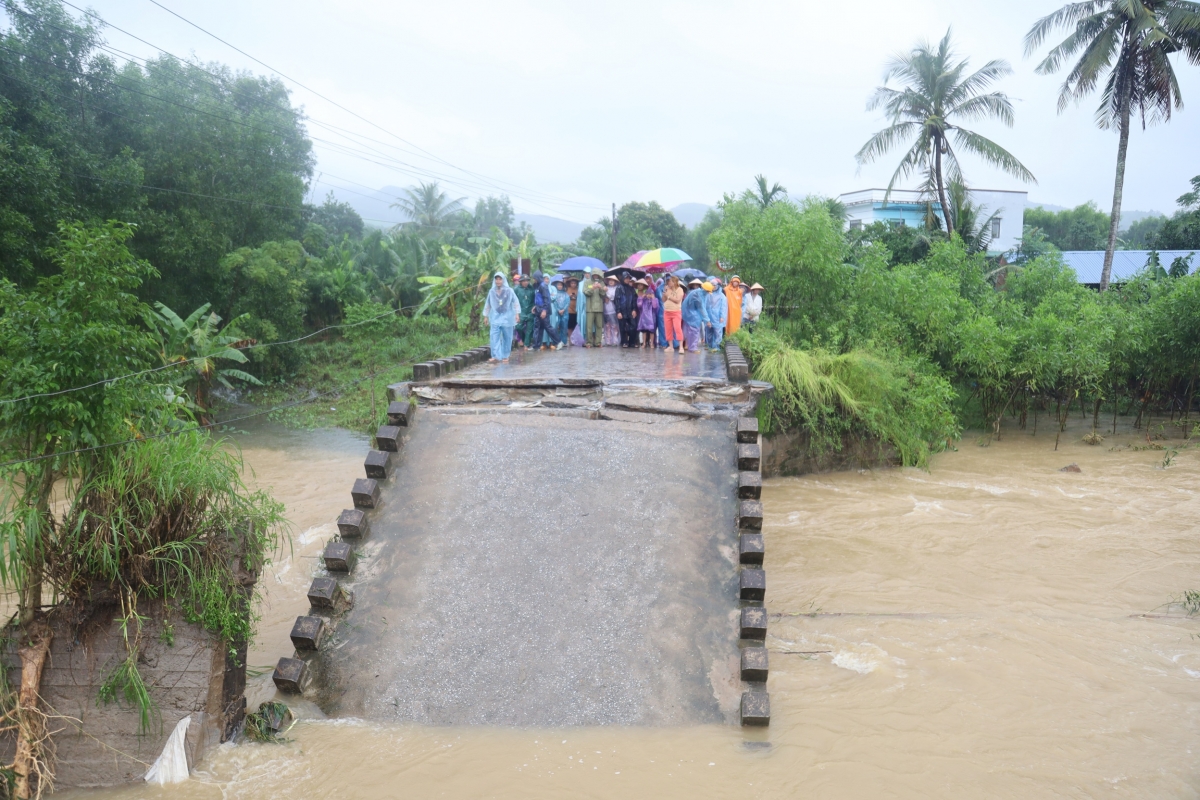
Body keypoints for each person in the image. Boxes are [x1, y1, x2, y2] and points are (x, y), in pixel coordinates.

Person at [483, 271, 519, 363]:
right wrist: (486, 316)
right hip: (495, 317)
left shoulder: (509, 291)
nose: (498, 281)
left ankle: (505, 355)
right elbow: (488, 303)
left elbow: (515, 302)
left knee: (507, 337)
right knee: (494, 336)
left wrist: (517, 313)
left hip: (507, 318)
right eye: (496, 279)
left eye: (500, 279)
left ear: (503, 280)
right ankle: (495, 356)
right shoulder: (491, 292)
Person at [530, 271, 561, 350]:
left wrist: (544, 310)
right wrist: (535, 306)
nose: (534, 280)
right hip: (538, 309)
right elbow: (538, 298)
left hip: (543, 310)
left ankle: (559, 342)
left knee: (548, 327)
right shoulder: (537, 286)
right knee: (538, 328)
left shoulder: (543, 286)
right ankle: (536, 346)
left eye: (535, 278)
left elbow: (546, 299)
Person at [681, 278, 710, 353]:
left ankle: (691, 347)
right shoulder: (698, 295)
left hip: (689, 313)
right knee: (694, 331)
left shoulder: (697, 292)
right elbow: (702, 308)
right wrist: (707, 320)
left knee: (690, 331)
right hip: (692, 315)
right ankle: (693, 348)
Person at [580, 271, 606, 347]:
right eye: (594, 274)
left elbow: (603, 294)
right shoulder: (587, 282)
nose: (595, 276)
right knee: (589, 326)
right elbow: (585, 292)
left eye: (597, 275)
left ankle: (598, 342)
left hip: (599, 307)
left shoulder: (601, 282)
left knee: (599, 326)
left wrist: (601, 288)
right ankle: (589, 342)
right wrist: (592, 288)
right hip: (590, 307)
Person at [615, 272, 640, 348]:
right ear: (622, 278)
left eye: (628, 278)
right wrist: (618, 311)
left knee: (633, 326)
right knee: (622, 327)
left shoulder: (631, 288)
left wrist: (634, 309)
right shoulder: (619, 288)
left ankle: (632, 342)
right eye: (626, 278)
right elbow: (617, 300)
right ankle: (624, 342)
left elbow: (634, 300)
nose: (627, 279)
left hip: (630, 311)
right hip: (622, 311)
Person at [662, 274, 685, 353]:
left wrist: (668, 296)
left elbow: (678, 300)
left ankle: (681, 347)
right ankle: (670, 346)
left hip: (676, 312)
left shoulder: (680, 290)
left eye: (670, 281)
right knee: (668, 329)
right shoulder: (667, 289)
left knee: (677, 329)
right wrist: (665, 293)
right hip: (667, 311)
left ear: (674, 282)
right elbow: (663, 300)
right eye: (668, 281)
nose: (668, 282)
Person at [514, 273, 536, 350]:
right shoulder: (516, 289)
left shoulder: (531, 289)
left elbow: (535, 299)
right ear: (521, 281)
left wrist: (534, 306)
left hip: (530, 311)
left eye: (527, 281)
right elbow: (513, 300)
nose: (526, 282)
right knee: (518, 327)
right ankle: (522, 339)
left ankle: (526, 345)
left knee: (530, 329)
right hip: (521, 311)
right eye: (524, 281)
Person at [705, 277, 727, 351]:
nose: (713, 287)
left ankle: (716, 346)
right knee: (708, 331)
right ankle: (709, 345)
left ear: (718, 286)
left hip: (717, 316)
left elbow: (723, 307)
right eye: (712, 285)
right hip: (708, 316)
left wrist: (722, 316)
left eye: (714, 285)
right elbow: (705, 305)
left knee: (717, 332)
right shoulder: (708, 294)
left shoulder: (722, 296)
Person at [636, 279, 659, 349]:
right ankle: (644, 343)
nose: (649, 295)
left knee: (652, 332)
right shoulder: (644, 300)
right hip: (644, 319)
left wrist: (653, 299)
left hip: (652, 319)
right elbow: (639, 305)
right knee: (644, 332)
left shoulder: (655, 300)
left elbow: (655, 307)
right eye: (648, 293)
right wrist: (641, 298)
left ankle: (651, 343)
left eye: (650, 294)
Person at [552, 276, 571, 347]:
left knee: (564, 327)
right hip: (556, 313)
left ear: (563, 286)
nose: (559, 286)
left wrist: (563, 309)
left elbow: (567, 303)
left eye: (561, 285)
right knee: (556, 326)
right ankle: (556, 341)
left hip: (565, 313)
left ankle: (564, 341)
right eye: (558, 285)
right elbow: (554, 302)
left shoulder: (566, 294)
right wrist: (558, 310)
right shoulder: (554, 294)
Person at [603, 275, 620, 346]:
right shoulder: (605, 288)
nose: (611, 281)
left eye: (613, 280)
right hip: (606, 309)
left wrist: (608, 294)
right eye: (610, 280)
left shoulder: (617, 289)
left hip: (613, 310)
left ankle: (615, 341)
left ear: (615, 281)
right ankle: (608, 341)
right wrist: (604, 297)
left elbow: (614, 297)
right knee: (607, 326)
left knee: (614, 326)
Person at [565, 278, 579, 344]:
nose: (573, 284)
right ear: (570, 284)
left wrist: (576, 296)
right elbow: (564, 297)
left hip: (577, 310)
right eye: (572, 283)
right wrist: (569, 296)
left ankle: (575, 339)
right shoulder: (567, 289)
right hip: (569, 310)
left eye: (574, 283)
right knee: (569, 326)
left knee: (575, 326)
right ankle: (570, 340)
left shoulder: (578, 289)